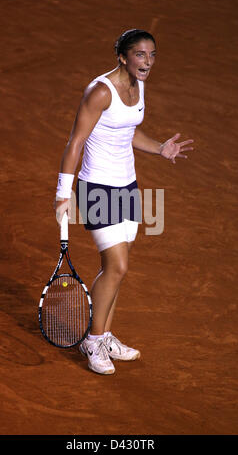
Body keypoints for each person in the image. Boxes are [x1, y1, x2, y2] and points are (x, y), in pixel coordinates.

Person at [55, 29, 194, 375]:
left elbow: (127, 131)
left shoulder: (138, 85)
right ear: (122, 57)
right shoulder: (100, 91)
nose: (147, 62)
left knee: (115, 271)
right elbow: (76, 142)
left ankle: (105, 335)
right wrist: (63, 194)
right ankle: (93, 340)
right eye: (140, 55)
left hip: (127, 186)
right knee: (117, 266)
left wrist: (160, 147)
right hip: (98, 186)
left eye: (152, 55)